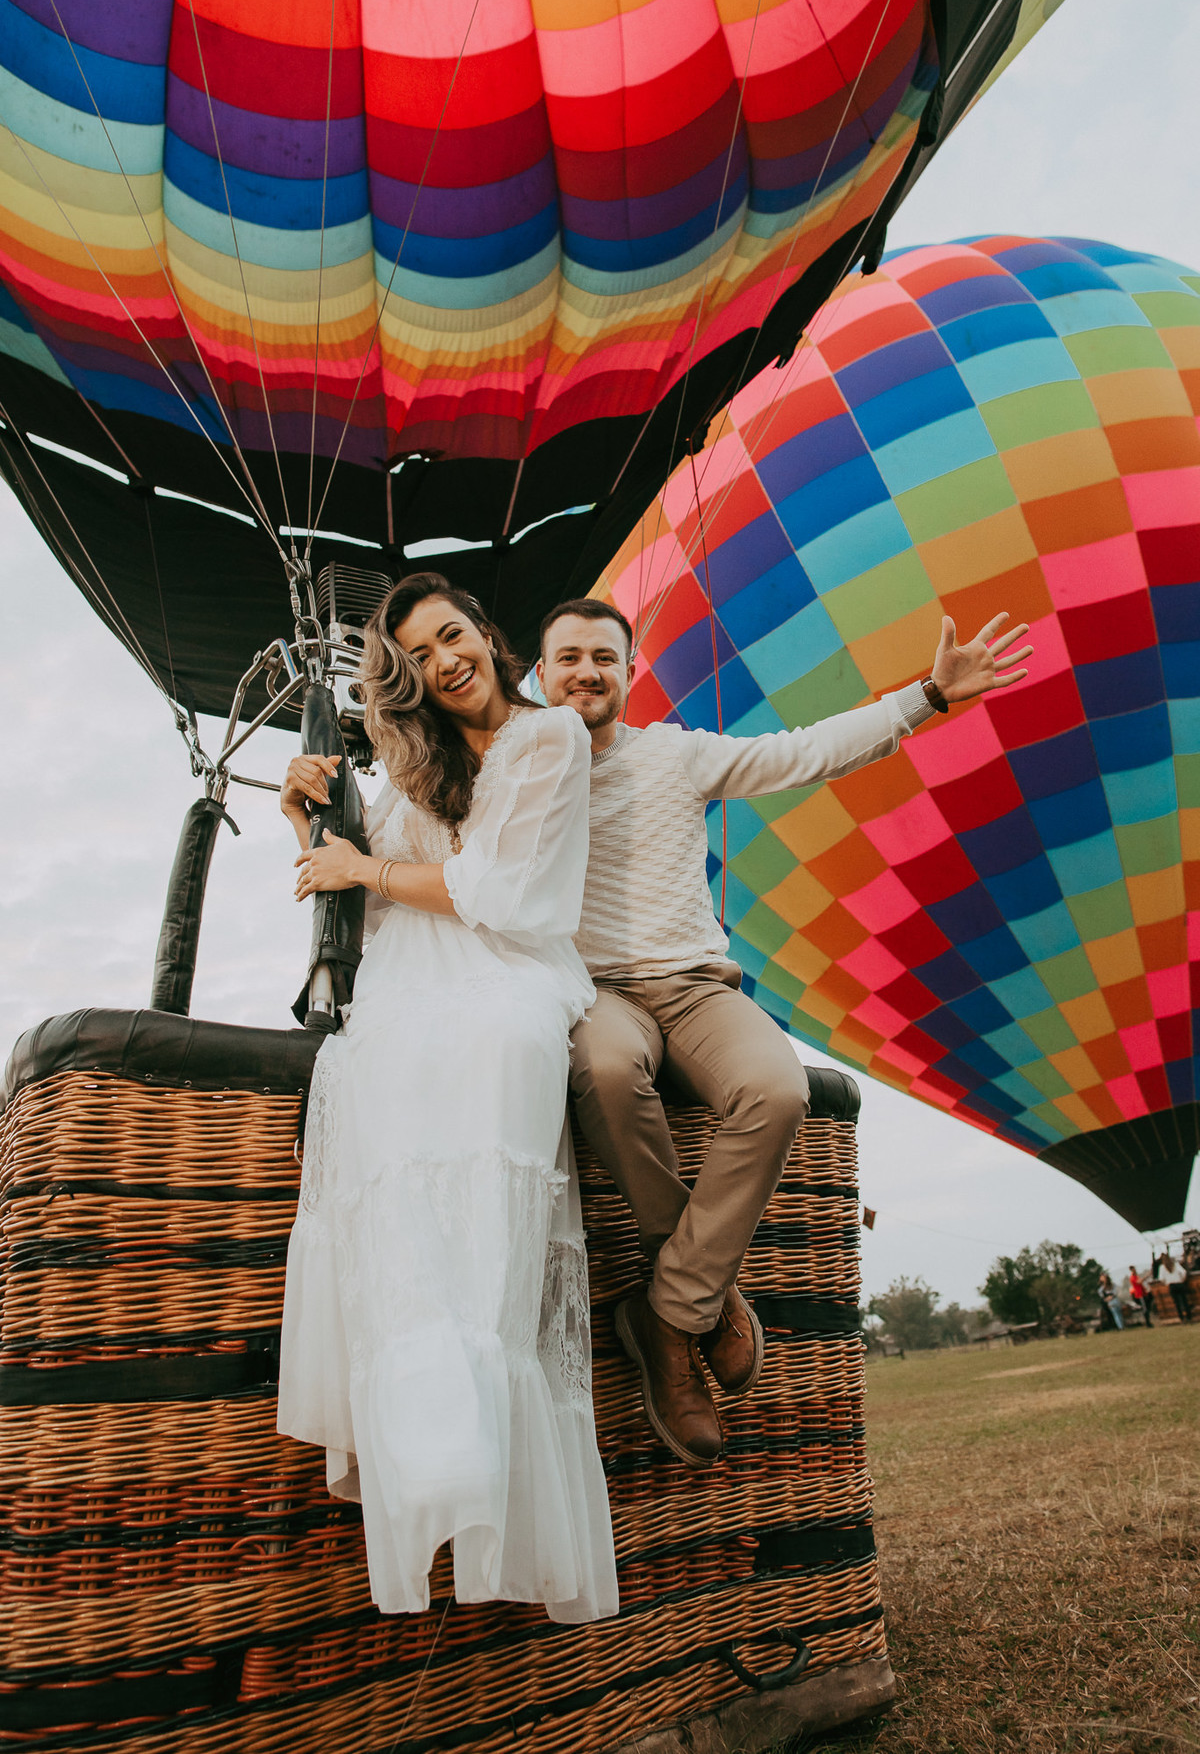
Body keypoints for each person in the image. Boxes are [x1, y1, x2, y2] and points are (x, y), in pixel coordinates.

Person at [537, 600, 1032, 1468]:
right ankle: (701, 1291)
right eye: (569, 657)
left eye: (604, 658)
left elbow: (807, 750)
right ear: (539, 676)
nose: (587, 672)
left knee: (779, 1088)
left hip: (694, 986)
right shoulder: (518, 773)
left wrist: (928, 696)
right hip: (595, 996)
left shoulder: (677, 753)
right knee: (607, 1074)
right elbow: (429, 829)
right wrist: (326, 814)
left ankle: (664, 1314)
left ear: (628, 670)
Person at [275, 573, 618, 1623]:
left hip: (512, 969)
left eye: (452, 634)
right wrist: (310, 821)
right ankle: (428, 1435)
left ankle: (480, 1428)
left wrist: (360, 868)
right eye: (418, 653)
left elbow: (504, 893)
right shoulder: (414, 766)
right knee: (371, 1074)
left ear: (488, 633)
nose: (443, 660)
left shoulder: (550, 735)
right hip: (409, 974)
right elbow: (360, 891)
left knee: (496, 1054)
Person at [1158, 1249, 1193, 1323]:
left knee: (1177, 1303)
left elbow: (1161, 1279)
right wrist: (1182, 1280)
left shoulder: (1162, 1267)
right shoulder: (1175, 1264)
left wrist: (1166, 1283)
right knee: (1184, 1301)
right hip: (1179, 1284)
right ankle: (1189, 1317)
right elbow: (1183, 1272)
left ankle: (1182, 1318)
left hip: (1172, 1286)